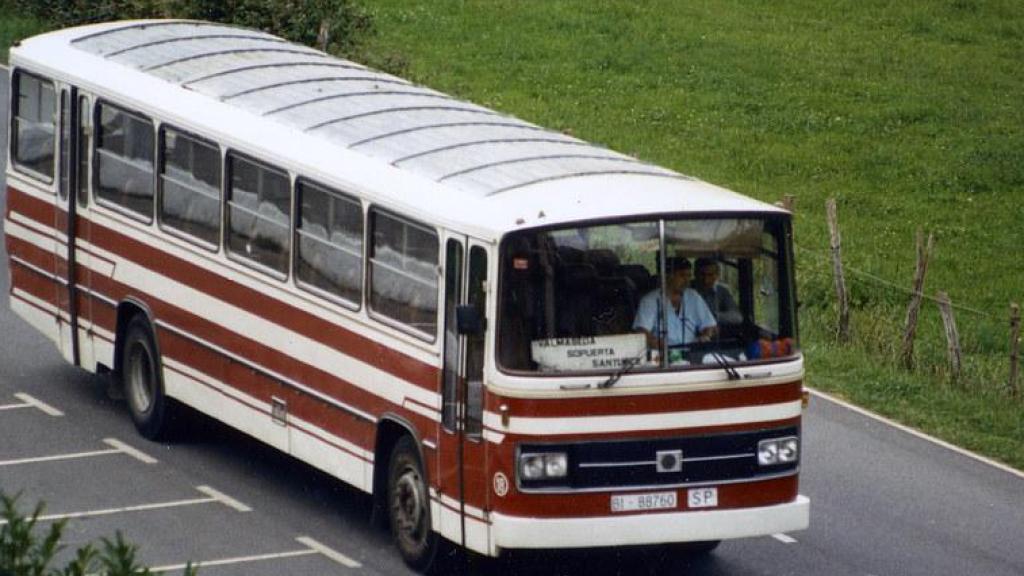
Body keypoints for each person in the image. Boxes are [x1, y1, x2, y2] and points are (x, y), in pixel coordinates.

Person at [632, 257, 717, 350]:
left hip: (691, 355)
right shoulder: (650, 300)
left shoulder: (693, 296)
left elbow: (710, 325)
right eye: (682, 275)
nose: (687, 280)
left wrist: (706, 335)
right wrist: (653, 341)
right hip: (663, 358)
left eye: (689, 276)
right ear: (668, 276)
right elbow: (641, 330)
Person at [692, 257, 742, 325]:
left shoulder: (721, 291)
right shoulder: (686, 290)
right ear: (695, 274)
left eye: (710, 275)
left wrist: (712, 315)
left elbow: (737, 317)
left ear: (717, 275)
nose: (706, 280)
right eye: (702, 275)